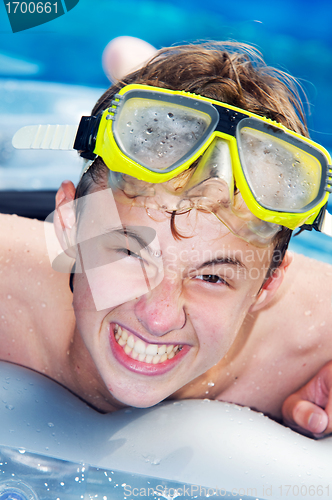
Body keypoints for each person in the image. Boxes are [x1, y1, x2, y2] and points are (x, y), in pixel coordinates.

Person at [5, 41, 332, 439]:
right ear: (68, 223)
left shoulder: (307, 342)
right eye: (128, 253)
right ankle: (143, 73)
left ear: (268, 284)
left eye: (212, 278)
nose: (159, 319)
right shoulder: (12, 289)